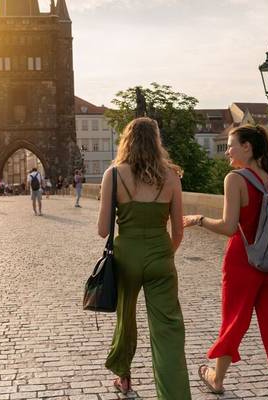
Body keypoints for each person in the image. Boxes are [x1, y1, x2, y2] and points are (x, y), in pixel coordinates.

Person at [183, 125, 268, 399]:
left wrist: (198, 219)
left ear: (248, 147)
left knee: (234, 322)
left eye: (232, 145)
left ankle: (217, 379)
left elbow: (229, 226)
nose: (228, 152)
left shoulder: (235, 179)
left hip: (243, 261)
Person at [97, 117, 190, 399]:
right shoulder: (172, 176)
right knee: (168, 329)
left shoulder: (113, 175)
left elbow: (103, 230)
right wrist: (164, 253)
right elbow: (178, 229)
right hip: (160, 254)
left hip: (126, 257)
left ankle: (123, 377)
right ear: (156, 141)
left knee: (126, 318)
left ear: (127, 140)